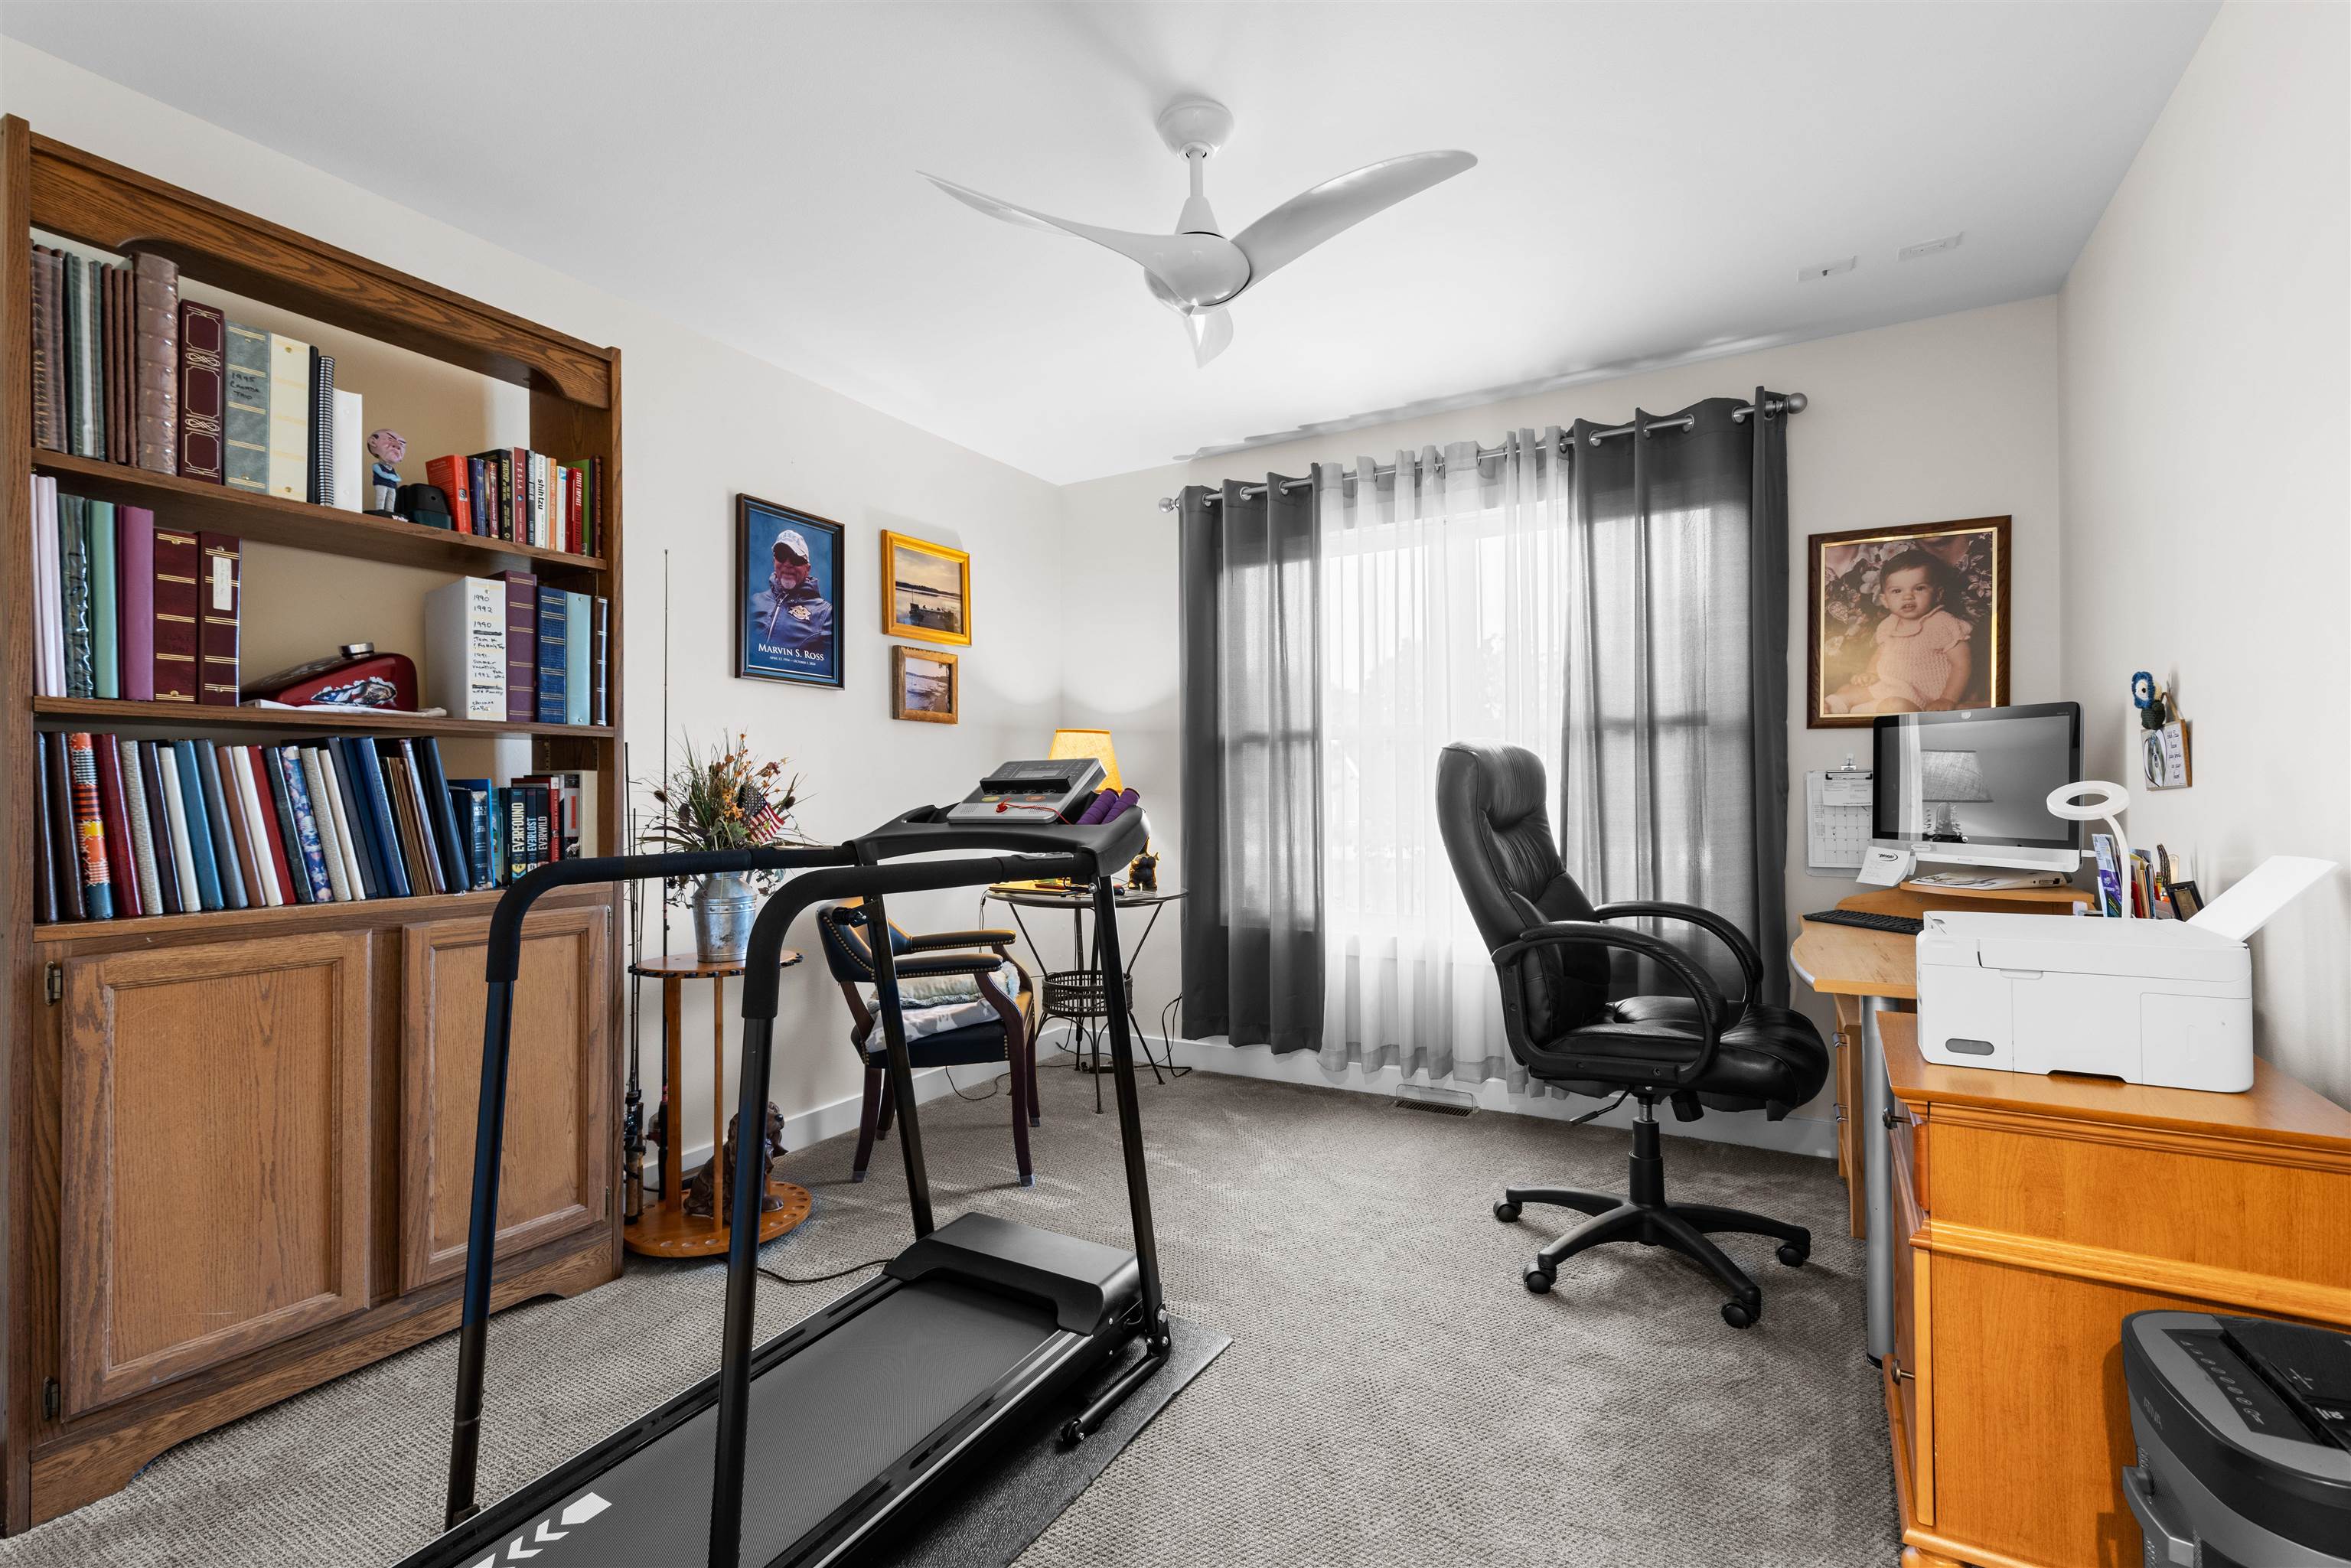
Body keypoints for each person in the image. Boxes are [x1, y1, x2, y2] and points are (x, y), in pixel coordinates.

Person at [1825, 549, 1973, 715]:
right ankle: (1830, 709)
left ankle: (1861, 712)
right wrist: (1871, 673)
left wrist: (1948, 699)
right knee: (1847, 689)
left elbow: (1962, 664)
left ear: (1938, 594)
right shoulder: (1888, 625)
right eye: (1897, 591)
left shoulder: (1942, 623)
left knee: (1895, 706)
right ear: (1885, 600)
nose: (1908, 597)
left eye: (1919, 588)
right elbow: (1881, 654)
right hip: (1890, 686)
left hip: (1924, 697)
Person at [755, 529, 832, 659]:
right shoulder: (753, 602)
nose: (788, 563)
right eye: (781, 555)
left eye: (796, 559)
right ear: (774, 561)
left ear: (807, 569)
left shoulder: (825, 614)